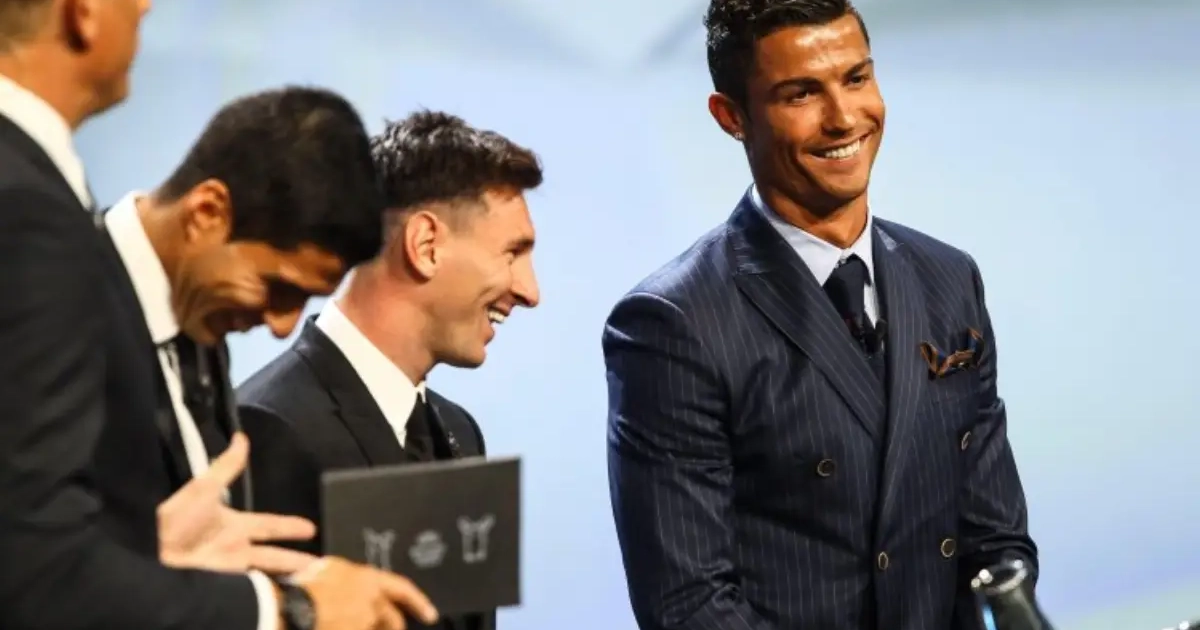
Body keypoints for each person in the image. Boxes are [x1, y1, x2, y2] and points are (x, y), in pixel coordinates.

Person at [0, 0, 437, 628]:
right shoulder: (36, 226)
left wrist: (147, 558)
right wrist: (290, 611)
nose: (284, 326)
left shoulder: (199, 330)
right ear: (207, 213)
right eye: (278, 288)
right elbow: (36, 571)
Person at [602, 1, 1037, 629]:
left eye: (856, 78)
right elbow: (689, 605)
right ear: (731, 117)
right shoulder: (672, 323)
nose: (844, 118)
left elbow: (996, 541)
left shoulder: (949, 278)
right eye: (801, 94)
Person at [237, 109, 544, 630]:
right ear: (425, 246)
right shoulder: (268, 428)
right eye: (512, 253)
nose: (530, 291)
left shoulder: (461, 433)